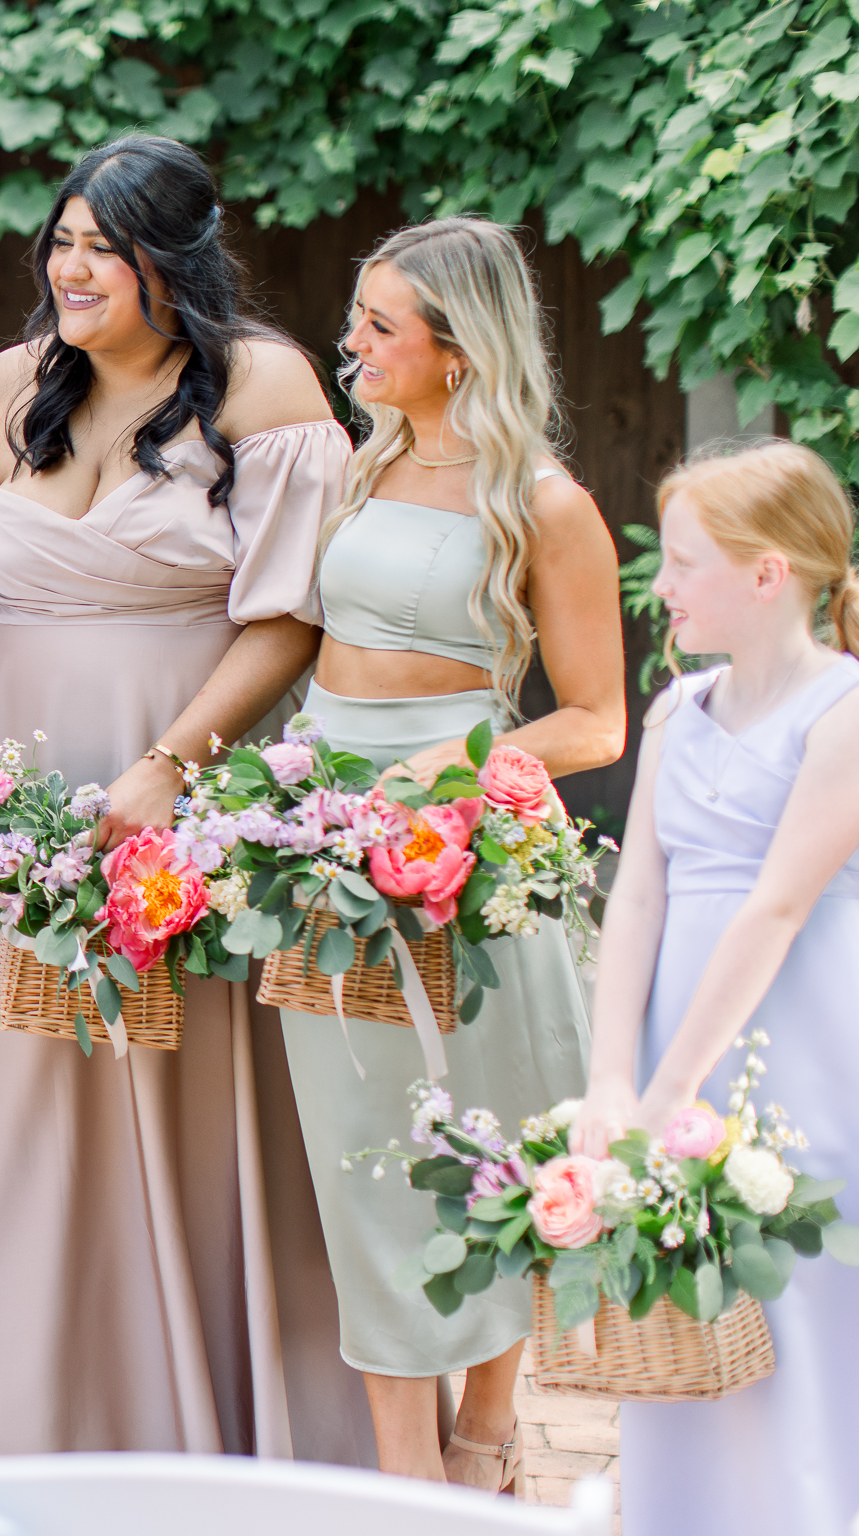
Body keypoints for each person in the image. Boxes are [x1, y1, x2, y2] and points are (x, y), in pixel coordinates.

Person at [0, 134, 371, 1464]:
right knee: (22, 1098)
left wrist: (172, 761)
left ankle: (203, 1418)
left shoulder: (263, 385)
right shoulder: (2, 390)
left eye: (106, 243)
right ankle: (19, 1424)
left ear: (176, 258)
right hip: (11, 798)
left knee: (184, 1082)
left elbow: (287, 618)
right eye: (63, 241)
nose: (73, 266)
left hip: (185, 782)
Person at [279, 216, 625, 1486]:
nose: (352, 343)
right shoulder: (357, 473)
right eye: (356, 318)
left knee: (494, 1133)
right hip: (327, 844)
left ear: (458, 347)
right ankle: (403, 1477)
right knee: (357, 1144)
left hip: (470, 839)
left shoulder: (546, 502)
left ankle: (488, 1421)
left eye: (380, 326)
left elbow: (598, 718)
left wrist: (460, 770)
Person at [572, 441, 859, 1534]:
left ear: (767, 573)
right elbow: (636, 899)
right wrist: (613, 1080)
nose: (664, 584)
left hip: (805, 1053)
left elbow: (776, 907)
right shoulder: (676, 709)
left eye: (685, 562)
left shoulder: (844, 712)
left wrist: (670, 1091)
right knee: (683, 1306)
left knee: (803, 1310)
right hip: (668, 1052)